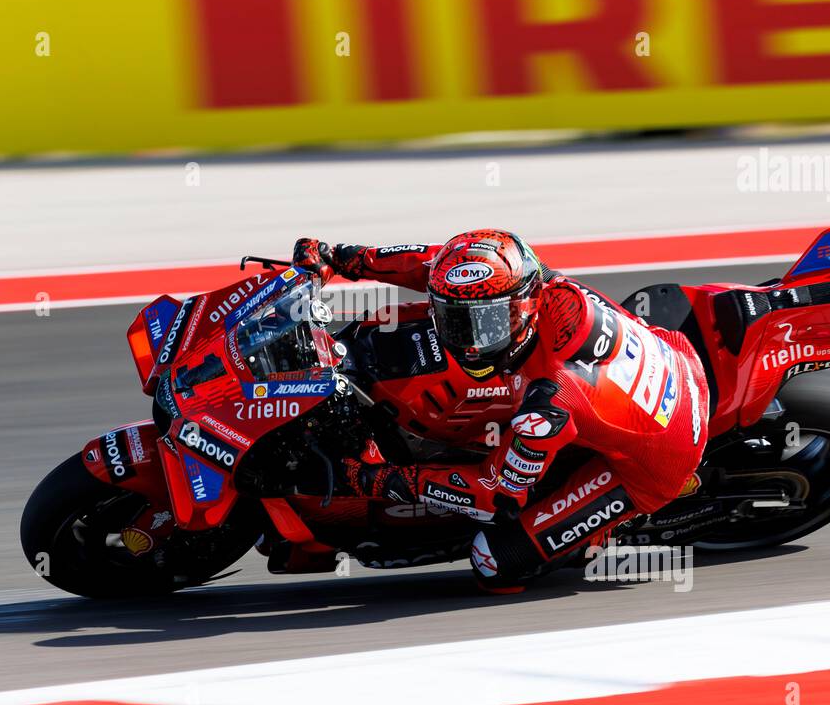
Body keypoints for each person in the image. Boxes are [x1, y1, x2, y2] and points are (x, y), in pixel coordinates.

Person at [293, 230, 710, 592]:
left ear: (522, 309)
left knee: (493, 563)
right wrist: (340, 257)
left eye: (482, 325)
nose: (465, 339)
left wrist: (372, 478)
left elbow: (494, 497)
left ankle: (600, 533)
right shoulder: (534, 280)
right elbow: (433, 265)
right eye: (452, 320)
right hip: (671, 352)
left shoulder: (550, 401)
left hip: (659, 459)